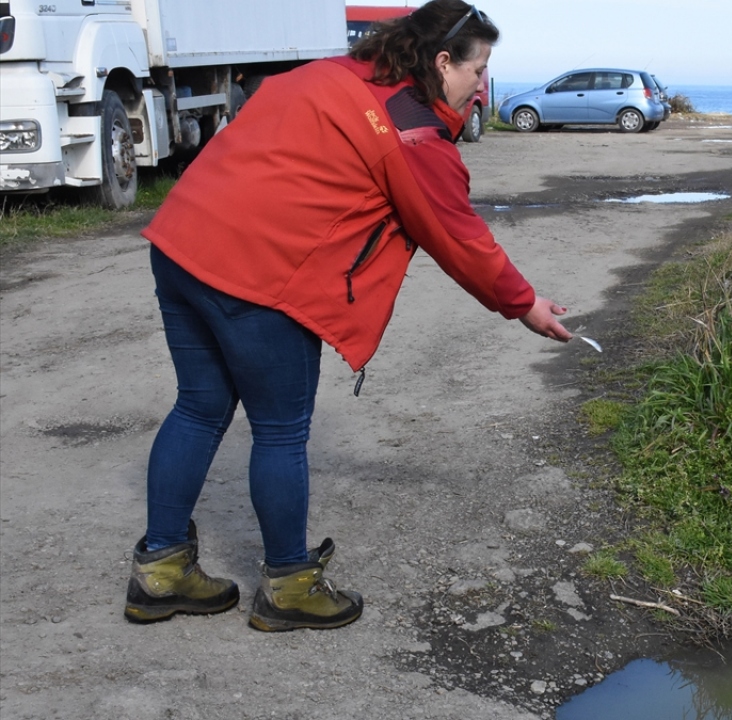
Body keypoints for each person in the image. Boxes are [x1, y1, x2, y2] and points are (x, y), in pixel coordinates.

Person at [124, 0, 572, 632]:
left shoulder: (331, 72)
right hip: (257, 272)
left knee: (199, 407)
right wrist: (524, 304)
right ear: (443, 61)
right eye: (478, 71)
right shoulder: (412, 132)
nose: (481, 87)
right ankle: (289, 587)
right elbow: (459, 236)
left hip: (181, 242)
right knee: (280, 431)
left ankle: (161, 573)